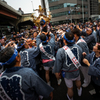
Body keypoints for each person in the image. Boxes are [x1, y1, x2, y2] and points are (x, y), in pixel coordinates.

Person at [53, 32, 83, 100]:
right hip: (76, 70)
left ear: (64, 40)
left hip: (67, 73)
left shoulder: (60, 51)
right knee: (78, 81)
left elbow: (58, 64)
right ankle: (79, 90)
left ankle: (71, 98)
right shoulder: (78, 47)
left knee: (70, 88)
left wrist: (57, 72)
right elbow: (80, 57)